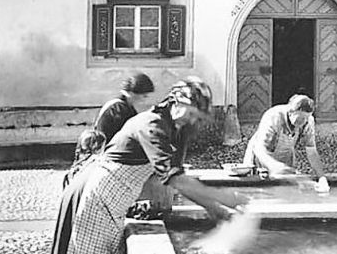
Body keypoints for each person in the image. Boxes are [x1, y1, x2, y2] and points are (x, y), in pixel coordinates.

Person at [52, 77, 247, 254]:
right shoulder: (151, 124)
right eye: (191, 113)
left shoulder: (177, 131)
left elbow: (178, 174)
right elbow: (175, 179)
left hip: (119, 201)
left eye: (198, 117)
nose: (193, 120)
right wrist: (221, 197)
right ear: (176, 102)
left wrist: (214, 209)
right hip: (101, 198)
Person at [243, 93, 327, 182]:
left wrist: (321, 177)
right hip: (261, 155)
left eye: (306, 118)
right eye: (300, 118)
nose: (304, 121)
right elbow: (260, 150)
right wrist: (274, 166)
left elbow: (312, 151)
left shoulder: (308, 121)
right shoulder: (273, 117)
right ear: (290, 112)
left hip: (286, 154)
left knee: (287, 186)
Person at [94, 72, 155, 143]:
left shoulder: (126, 106)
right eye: (144, 95)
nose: (145, 99)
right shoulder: (118, 109)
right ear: (131, 93)